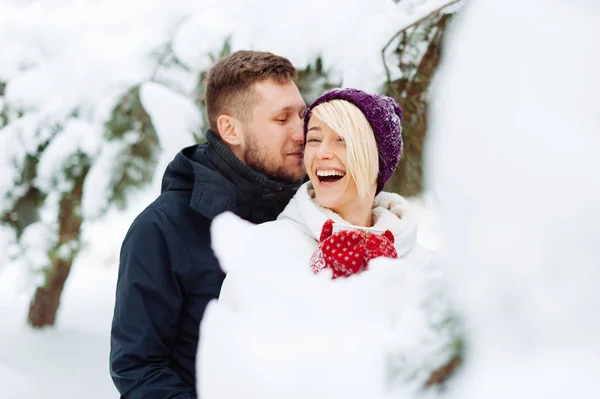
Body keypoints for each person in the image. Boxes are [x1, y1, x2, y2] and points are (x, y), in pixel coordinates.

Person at [109, 50, 307, 399]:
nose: (301, 132)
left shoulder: (305, 214)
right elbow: (139, 368)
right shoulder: (163, 228)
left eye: (302, 115)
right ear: (230, 128)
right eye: (282, 119)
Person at [217, 88, 430, 306]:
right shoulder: (262, 253)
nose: (321, 153)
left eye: (342, 139)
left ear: (378, 158)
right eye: (314, 139)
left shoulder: (429, 273)